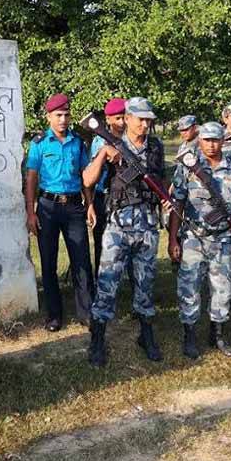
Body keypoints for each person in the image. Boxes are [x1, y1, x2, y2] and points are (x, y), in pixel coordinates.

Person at [85, 97, 165, 366]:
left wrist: (165, 198)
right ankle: (97, 340)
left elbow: (160, 180)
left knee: (145, 283)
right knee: (107, 283)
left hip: (147, 227)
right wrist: (103, 155)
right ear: (127, 118)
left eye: (148, 119)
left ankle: (147, 335)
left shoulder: (156, 147)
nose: (145, 124)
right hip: (118, 227)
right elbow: (87, 180)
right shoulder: (112, 145)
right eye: (140, 119)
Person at [169, 122, 231, 359]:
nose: (211, 144)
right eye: (206, 140)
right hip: (193, 237)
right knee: (189, 287)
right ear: (199, 140)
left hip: (223, 239)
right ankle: (190, 335)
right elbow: (177, 204)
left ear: (223, 140)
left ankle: (217, 334)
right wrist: (172, 240)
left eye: (216, 139)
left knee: (223, 288)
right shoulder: (187, 167)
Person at [25, 93, 95, 331]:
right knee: (48, 261)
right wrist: (31, 212)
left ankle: (86, 312)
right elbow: (31, 179)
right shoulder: (39, 143)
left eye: (66, 115)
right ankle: (54, 315)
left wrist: (90, 204)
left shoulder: (77, 142)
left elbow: (85, 177)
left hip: (74, 206)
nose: (63, 120)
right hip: (47, 207)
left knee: (81, 260)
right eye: (58, 115)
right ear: (49, 117)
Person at [89, 98, 126, 277]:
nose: (122, 122)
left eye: (124, 117)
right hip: (103, 196)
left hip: (126, 197)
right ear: (108, 119)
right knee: (102, 242)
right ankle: (100, 279)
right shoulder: (100, 140)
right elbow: (92, 173)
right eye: (117, 118)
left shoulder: (131, 138)